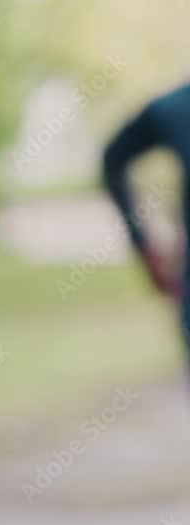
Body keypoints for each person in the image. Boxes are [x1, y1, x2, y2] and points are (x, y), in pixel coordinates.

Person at [101, 81, 189, 353]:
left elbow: (113, 160)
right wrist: (144, 244)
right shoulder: (174, 107)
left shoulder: (174, 105)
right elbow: (114, 159)